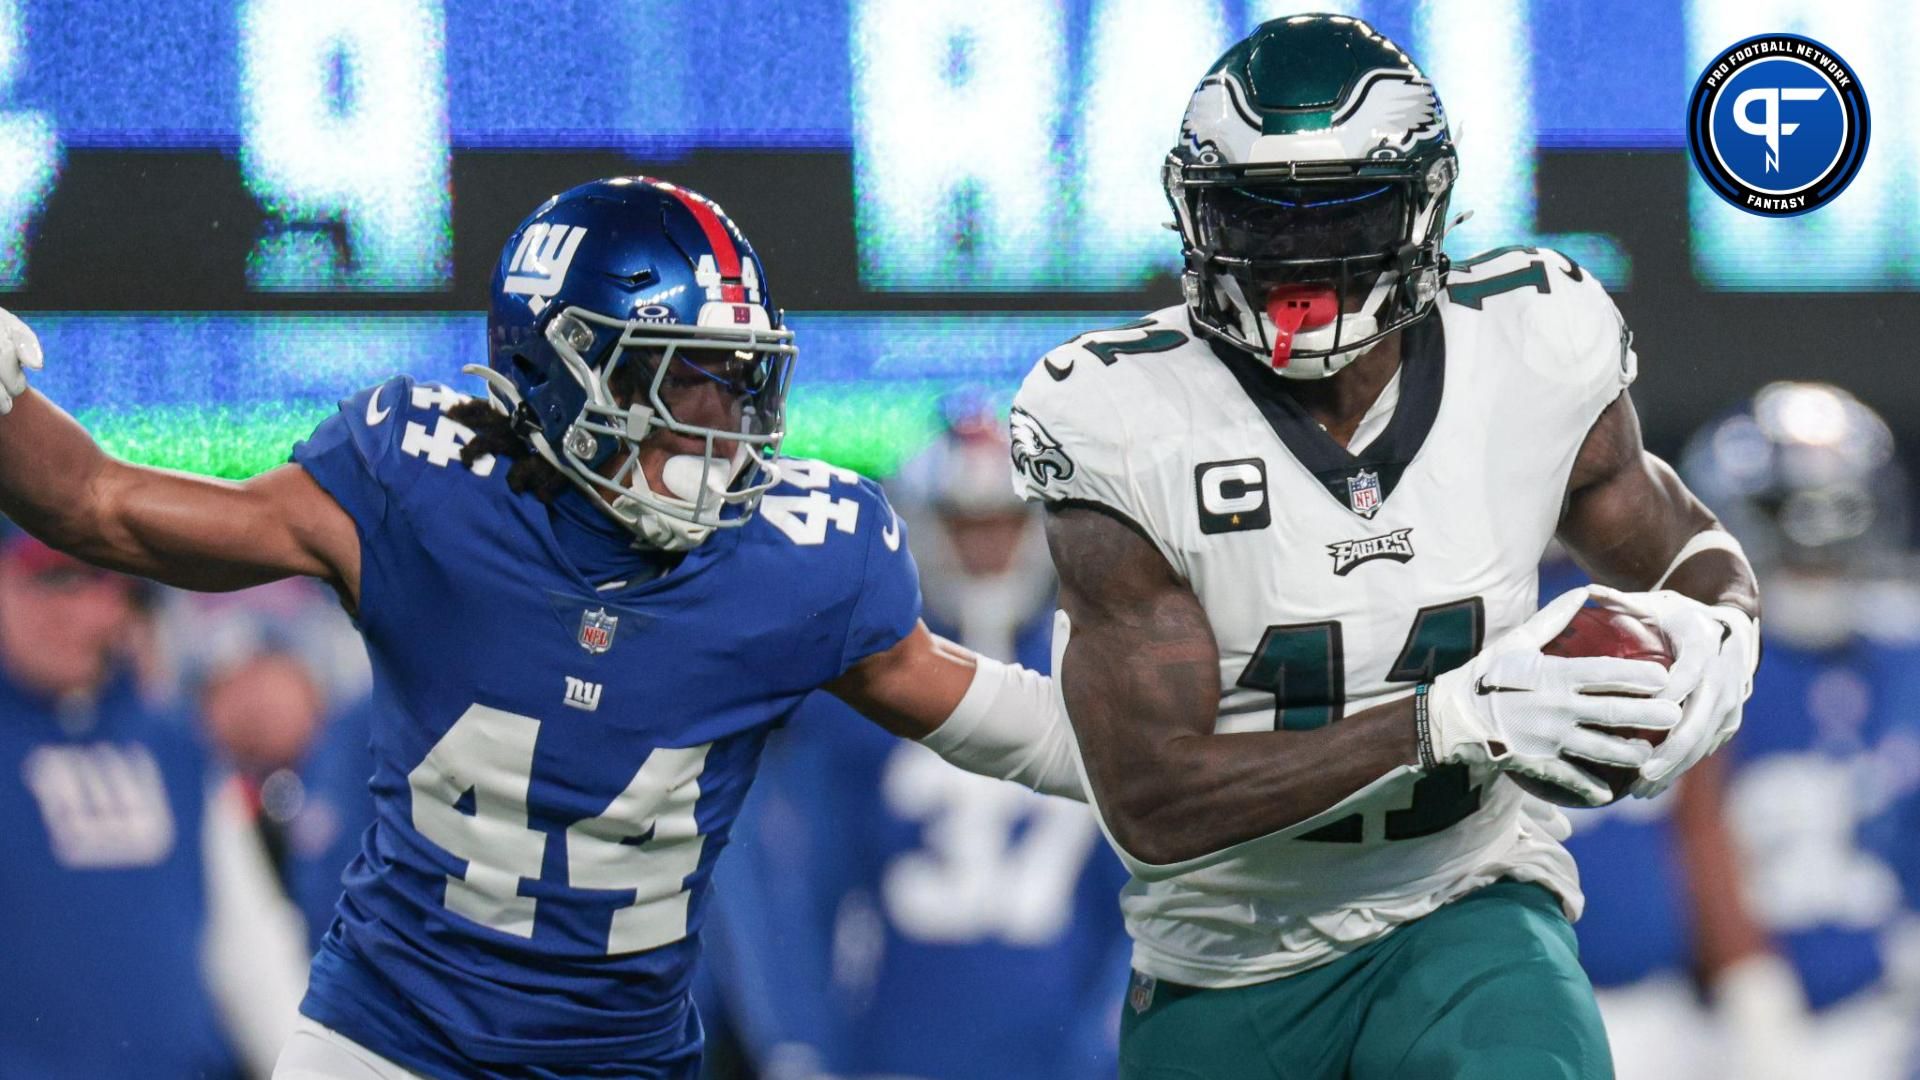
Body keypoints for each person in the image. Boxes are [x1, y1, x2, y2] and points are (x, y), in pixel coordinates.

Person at [0, 176, 1083, 1079]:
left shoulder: (799, 554)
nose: (717, 427)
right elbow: (98, 504)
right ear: (554, 371)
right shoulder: (418, 489)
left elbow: (1006, 721)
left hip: (622, 1061)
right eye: (677, 381)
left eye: (736, 381)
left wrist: (1214, 748)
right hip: (387, 1048)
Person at [1009, 16, 1762, 1080]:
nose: (1296, 261)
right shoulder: (1122, 416)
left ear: (1425, 207)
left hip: (1464, 903)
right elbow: (1155, 802)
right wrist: (1450, 718)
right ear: (1195, 214)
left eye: (1341, 213)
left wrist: (1721, 632)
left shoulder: (1534, 341)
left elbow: (1680, 544)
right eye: (1257, 219)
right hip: (1229, 958)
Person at [701, 406, 1132, 1080]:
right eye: (965, 527)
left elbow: (1144, 904)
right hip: (896, 1048)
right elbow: (789, 884)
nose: (986, 552)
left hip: (1061, 1053)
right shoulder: (857, 690)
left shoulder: (1100, 672)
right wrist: (800, 1043)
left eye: (1002, 527)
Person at [1564, 382, 1920, 1080]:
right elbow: (1686, 839)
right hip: (1698, 1009)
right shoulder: (1674, 653)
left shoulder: (1897, 652)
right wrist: (1749, 985)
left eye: (1837, 525)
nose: (1814, 558)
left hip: (1874, 995)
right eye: (1790, 527)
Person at [0, 528, 309, 1078]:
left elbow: (250, 950)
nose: (86, 610)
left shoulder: (176, 746)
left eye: (106, 584)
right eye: (52, 580)